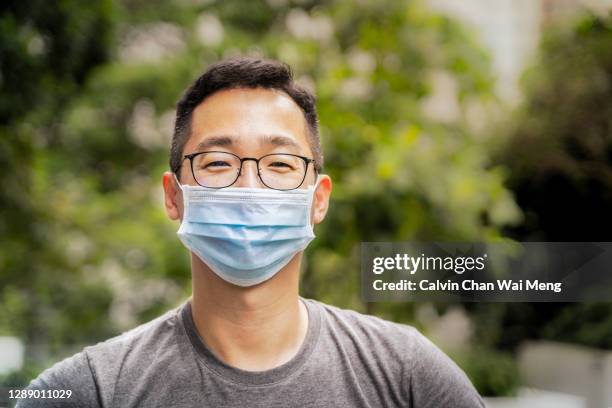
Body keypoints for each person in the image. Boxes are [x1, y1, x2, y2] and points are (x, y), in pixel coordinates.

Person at [17, 56, 484, 407]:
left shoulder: (406, 375)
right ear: (174, 196)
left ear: (318, 199)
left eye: (280, 163)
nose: (249, 185)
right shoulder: (94, 390)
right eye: (218, 162)